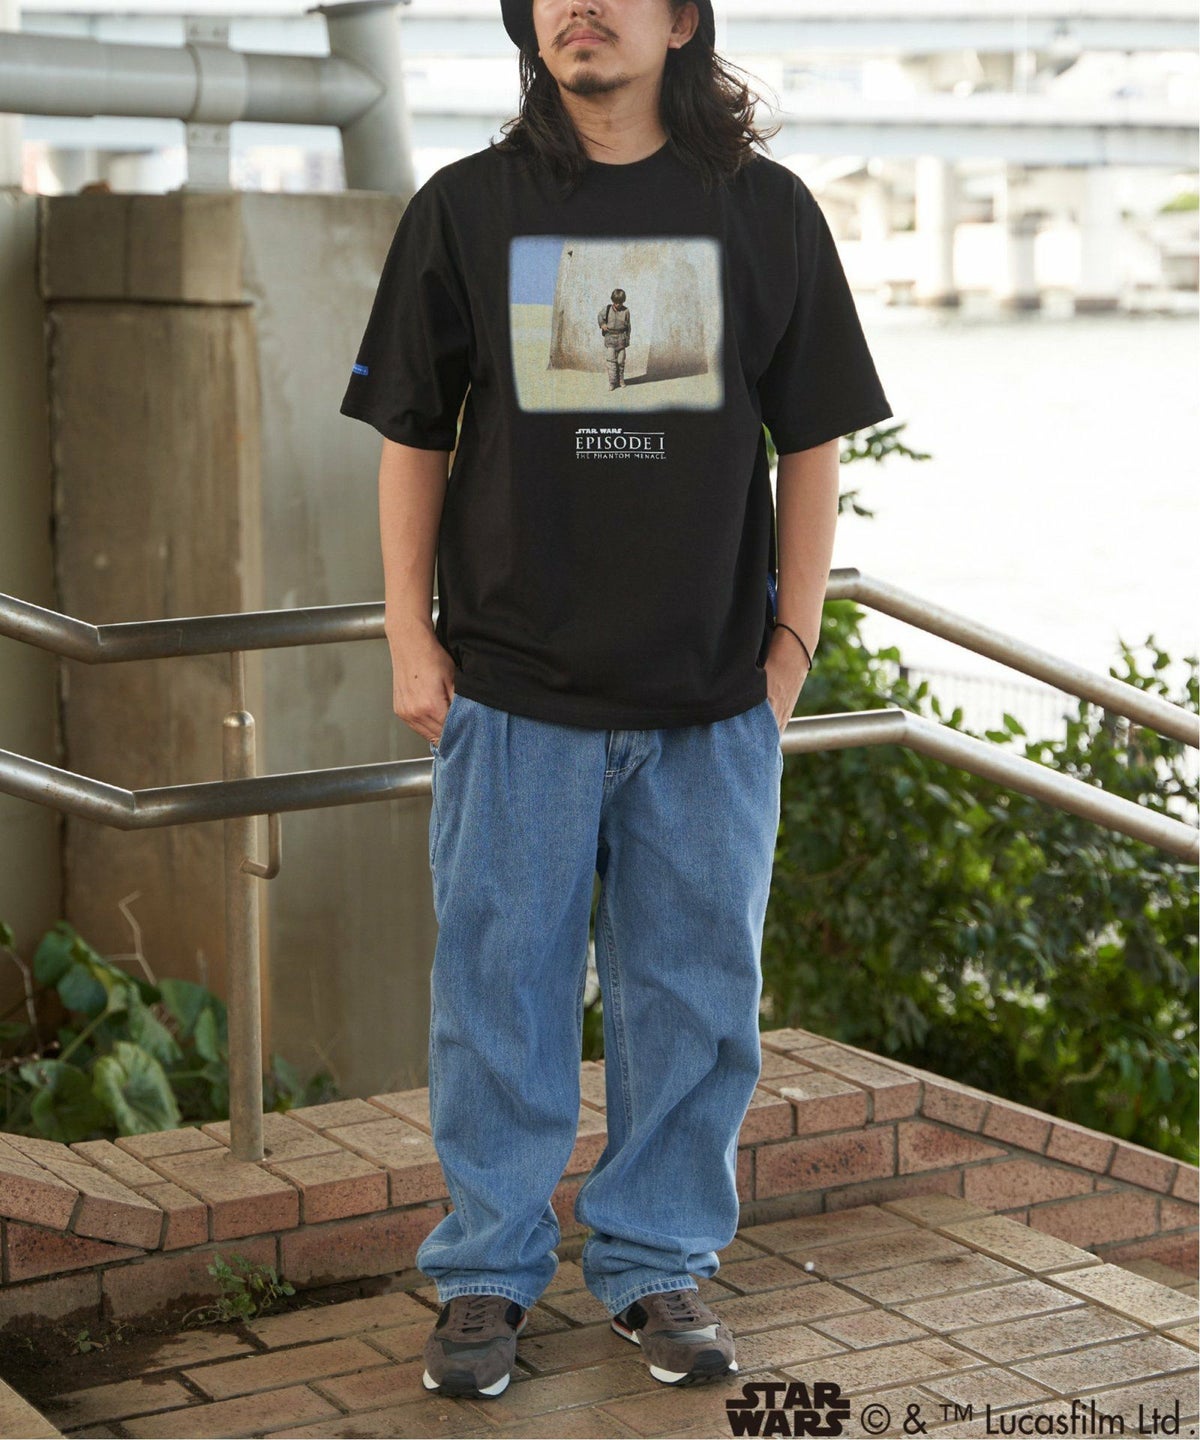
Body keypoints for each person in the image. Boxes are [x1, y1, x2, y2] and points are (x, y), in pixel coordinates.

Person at [339, 0, 893, 1404]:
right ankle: (485, 1272)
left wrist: (790, 650)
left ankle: (657, 1264)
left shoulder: (765, 211)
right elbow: (411, 434)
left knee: (696, 1003)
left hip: (711, 699)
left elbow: (812, 441)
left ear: (685, 19)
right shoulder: (467, 207)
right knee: (497, 999)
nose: (578, 7)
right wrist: (409, 636)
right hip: (515, 688)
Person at [598, 286, 631, 387]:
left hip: (621, 338)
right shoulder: (607, 309)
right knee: (611, 361)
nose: (618, 305)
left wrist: (627, 339)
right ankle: (612, 382)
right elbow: (600, 317)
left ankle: (620, 380)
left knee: (621, 361)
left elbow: (628, 326)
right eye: (616, 302)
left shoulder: (626, 311)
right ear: (613, 301)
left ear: (623, 301)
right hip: (610, 338)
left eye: (620, 302)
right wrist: (602, 324)